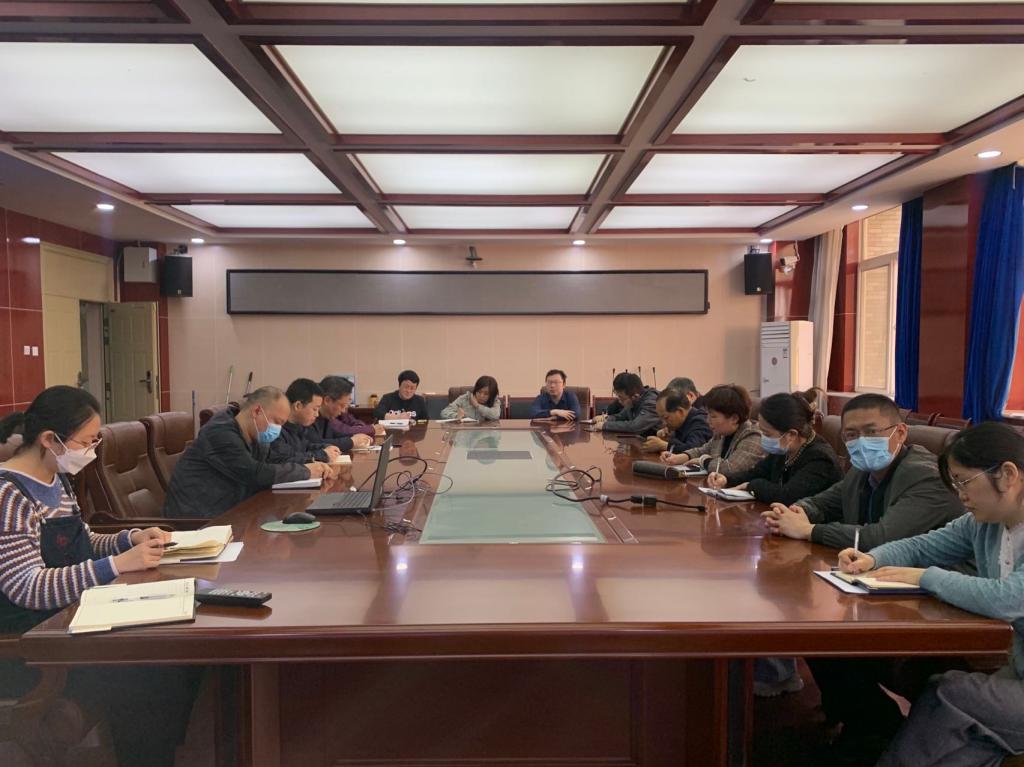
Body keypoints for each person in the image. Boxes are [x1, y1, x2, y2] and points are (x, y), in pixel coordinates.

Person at [0, 386, 200, 767]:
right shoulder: (8, 496)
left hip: (74, 624)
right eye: (86, 442)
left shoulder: (55, 478)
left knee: (177, 655)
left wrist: (131, 538)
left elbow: (83, 540)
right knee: (153, 675)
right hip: (34, 648)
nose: (91, 451)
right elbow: (26, 587)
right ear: (49, 439)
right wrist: (116, 565)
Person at [834, 422, 1024, 767]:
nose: (960, 495)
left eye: (964, 481)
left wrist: (925, 577)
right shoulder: (985, 523)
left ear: (1008, 475)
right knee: (965, 736)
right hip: (1016, 671)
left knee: (947, 693)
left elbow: (1007, 599)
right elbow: (924, 545)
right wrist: (873, 558)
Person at [762, 393, 964, 549]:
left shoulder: (930, 478)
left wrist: (809, 530)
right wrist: (793, 513)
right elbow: (823, 503)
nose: (861, 441)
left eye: (871, 432)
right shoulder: (862, 471)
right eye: (851, 434)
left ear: (900, 433)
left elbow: (882, 537)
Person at [164, 386, 329, 519]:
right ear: (257, 411)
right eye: (277, 422)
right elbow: (255, 473)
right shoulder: (220, 433)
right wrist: (305, 472)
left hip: (232, 512)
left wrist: (312, 464)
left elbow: (274, 459)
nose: (278, 429)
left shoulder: (254, 435)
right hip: (199, 520)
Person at [707, 391, 841, 506]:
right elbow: (756, 472)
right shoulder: (784, 449)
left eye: (767, 434)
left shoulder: (820, 459)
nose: (762, 438)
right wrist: (727, 479)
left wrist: (751, 486)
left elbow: (787, 496)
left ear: (791, 434)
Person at [662, 383, 764, 474]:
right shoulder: (721, 433)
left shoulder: (753, 436)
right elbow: (703, 450)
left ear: (734, 418)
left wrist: (703, 461)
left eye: (713, 416)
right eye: (708, 415)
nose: (708, 420)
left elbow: (731, 468)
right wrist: (681, 457)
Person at [268, 378, 344, 467]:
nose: (317, 415)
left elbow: (305, 447)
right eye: (314, 409)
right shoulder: (275, 429)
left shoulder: (297, 426)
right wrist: (322, 455)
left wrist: (326, 447)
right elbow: (286, 459)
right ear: (298, 406)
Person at [643, 388, 713, 454]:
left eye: (666, 418)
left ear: (680, 411)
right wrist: (667, 438)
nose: (664, 423)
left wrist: (664, 445)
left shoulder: (700, 422)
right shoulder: (681, 423)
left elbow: (694, 450)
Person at [312, 376, 374, 449]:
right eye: (342, 406)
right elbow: (314, 443)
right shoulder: (309, 416)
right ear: (327, 400)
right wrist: (351, 442)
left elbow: (336, 434)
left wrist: (359, 437)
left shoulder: (326, 416)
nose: (343, 411)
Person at [594, 372, 660, 436]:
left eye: (621, 398)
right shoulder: (633, 401)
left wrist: (604, 425)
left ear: (635, 397)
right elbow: (620, 417)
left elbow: (636, 426)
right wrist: (605, 418)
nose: (619, 401)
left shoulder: (652, 402)